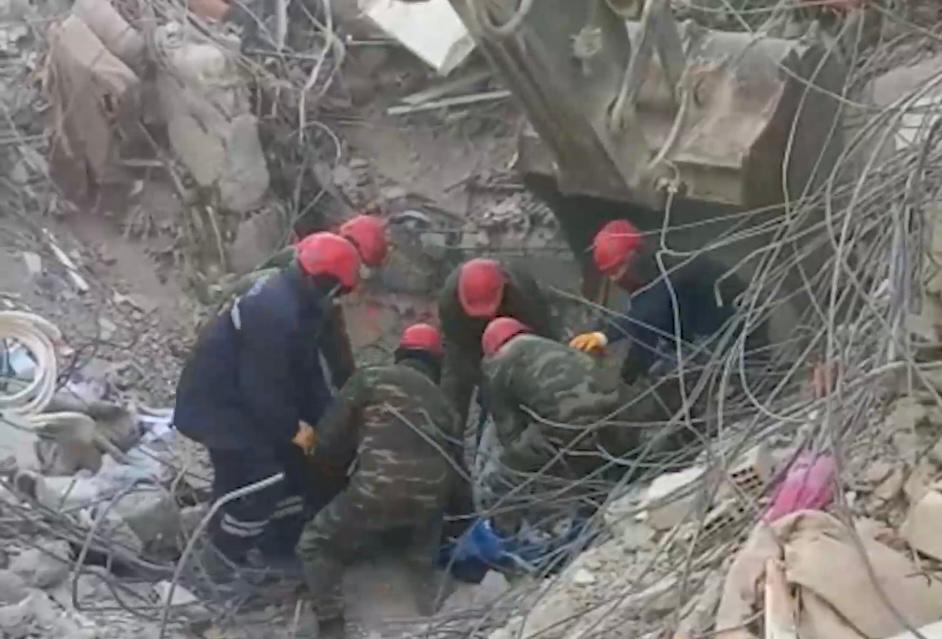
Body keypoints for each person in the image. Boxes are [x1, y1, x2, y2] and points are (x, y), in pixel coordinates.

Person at [173, 233, 361, 580]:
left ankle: (277, 547)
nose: (339, 300)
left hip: (241, 400)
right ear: (325, 282)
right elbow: (265, 391)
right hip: (216, 406)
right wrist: (296, 431)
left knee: (295, 467)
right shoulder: (274, 312)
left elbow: (306, 375)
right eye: (339, 291)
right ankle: (220, 563)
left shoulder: (301, 304)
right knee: (260, 482)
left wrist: (329, 421)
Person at [296, 323, 464, 636]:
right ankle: (426, 599)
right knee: (426, 519)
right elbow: (459, 475)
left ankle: (331, 624)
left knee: (314, 544)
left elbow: (329, 441)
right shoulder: (446, 405)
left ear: (400, 353)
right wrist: (461, 526)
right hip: (429, 503)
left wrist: (331, 474)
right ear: (437, 364)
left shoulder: (370, 378)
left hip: (374, 492)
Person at [476, 317, 669, 536]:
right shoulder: (556, 347)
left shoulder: (497, 365)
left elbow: (509, 431)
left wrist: (529, 462)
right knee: (599, 449)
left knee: (511, 465)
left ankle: (505, 533)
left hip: (570, 428)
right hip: (622, 413)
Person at [568, 219, 767, 383]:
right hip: (697, 326)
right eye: (609, 273)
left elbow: (650, 312)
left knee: (671, 374)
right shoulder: (646, 278)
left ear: (635, 256)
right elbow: (646, 333)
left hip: (736, 329)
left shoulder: (674, 268)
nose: (615, 279)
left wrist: (604, 335)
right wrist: (627, 380)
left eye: (618, 269)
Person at [438, 258, 562, 434]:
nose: (485, 318)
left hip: (515, 337)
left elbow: (543, 339)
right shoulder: (449, 302)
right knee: (455, 394)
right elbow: (457, 355)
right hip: (469, 340)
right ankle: (450, 440)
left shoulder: (523, 294)